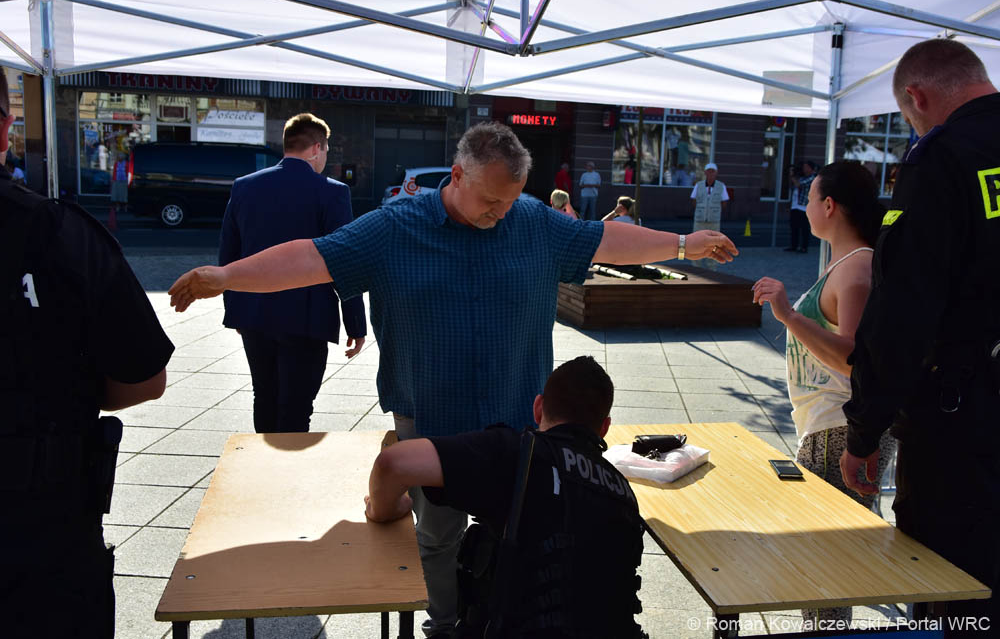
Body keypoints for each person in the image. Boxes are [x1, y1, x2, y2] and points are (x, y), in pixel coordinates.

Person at [168, 121, 737, 638]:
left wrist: (683, 245)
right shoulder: (395, 226)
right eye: (490, 200)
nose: (500, 213)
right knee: (437, 536)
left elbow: (603, 239)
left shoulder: (534, 221)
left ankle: (502, 619)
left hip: (516, 421)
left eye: (510, 200)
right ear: (458, 176)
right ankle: (444, 627)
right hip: (429, 413)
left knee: (520, 531)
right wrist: (228, 275)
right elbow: (312, 258)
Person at [0, 69, 174, 638]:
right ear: (5, 130)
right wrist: (63, 393)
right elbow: (145, 377)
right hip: (38, 534)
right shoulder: (57, 234)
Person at [839, 39, 1000, 635]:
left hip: (963, 425)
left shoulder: (942, 158)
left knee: (950, 591)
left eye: (910, 119)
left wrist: (865, 430)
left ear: (916, 96)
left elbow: (902, 312)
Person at [364, 356, 646, 639]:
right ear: (604, 427)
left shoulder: (519, 455)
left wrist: (384, 510)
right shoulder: (623, 492)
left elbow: (393, 464)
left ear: (538, 408)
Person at [752, 161, 898, 628]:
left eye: (810, 198)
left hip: (840, 431)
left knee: (825, 569)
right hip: (827, 428)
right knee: (821, 566)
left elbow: (854, 360)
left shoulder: (857, 268)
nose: (806, 206)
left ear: (829, 206)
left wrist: (789, 316)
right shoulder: (847, 262)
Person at [219, 112, 366, 434]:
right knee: (297, 407)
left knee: (264, 396)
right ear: (316, 148)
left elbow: (229, 255)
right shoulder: (332, 192)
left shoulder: (244, 187)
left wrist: (235, 310)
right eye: (326, 150)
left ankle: (262, 461)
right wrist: (355, 322)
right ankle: (288, 463)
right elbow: (345, 260)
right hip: (306, 317)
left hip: (254, 311)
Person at [786, 161, 816, 253]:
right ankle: (793, 246)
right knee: (794, 227)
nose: (804, 169)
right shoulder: (802, 177)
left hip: (804, 207)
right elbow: (793, 187)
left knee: (804, 228)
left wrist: (792, 176)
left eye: (806, 167)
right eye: (803, 167)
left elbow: (799, 185)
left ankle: (804, 247)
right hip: (795, 206)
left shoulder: (812, 178)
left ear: (811, 168)